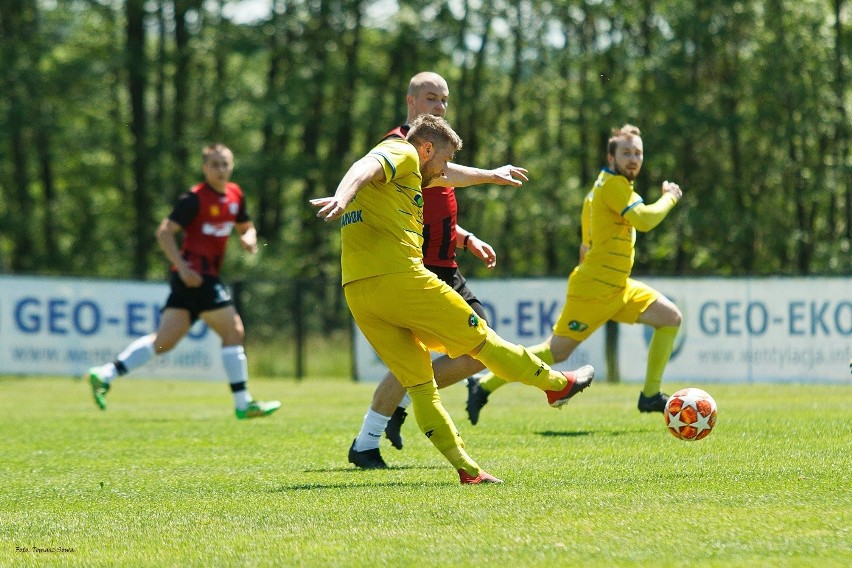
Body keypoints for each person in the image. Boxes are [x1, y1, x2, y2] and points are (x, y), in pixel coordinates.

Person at [311, 113, 594, 484]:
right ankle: (558, 386)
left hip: (359, 292)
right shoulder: (402, 151)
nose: (445, 171)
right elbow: (364, 167)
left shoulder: (406, 172)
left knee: (420, 387)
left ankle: (468, 471)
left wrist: (491, 175)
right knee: (484, 342)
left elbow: (429, 174)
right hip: (402, 280)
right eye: (443, 159)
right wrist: (342, 196)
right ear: (426, 148)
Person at [347, 71, 525, 469]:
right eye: (431, 98)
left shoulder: (433, 149)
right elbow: (384, 188)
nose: (440, 106)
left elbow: (432, 204)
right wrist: (491, 175)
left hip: (445, 262)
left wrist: (465, 238)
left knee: (446, 355)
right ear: (411, 102)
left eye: (444, 99)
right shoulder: (402, 147)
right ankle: (382, 425)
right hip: (415, 264)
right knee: (477, 347)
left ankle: (370, 437)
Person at [467, 124, 683, 424]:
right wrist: (670, 196)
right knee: (556, 351)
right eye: (626, 153)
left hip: (618, 287)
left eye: (638, 153)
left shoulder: (603, 186)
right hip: (594, 289)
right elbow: (644, 220)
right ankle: (483, 383)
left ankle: (650, 395)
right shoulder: (613, 186)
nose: (633, 159)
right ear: (611, 157)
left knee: (670, 318)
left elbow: (586, 235)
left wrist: (591, 248)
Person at [86, 143, 281, 420]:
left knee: (163, 342)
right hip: (197, 276)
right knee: (234, 331)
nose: (221, 169)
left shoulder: (235, 194)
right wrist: (183, 266)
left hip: (193, 279)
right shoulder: (194, 199)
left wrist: (248, 237)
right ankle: (243, 403)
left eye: (225, 164)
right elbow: (164, 232)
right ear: (204, 168)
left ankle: (106, 373)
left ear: (232, 166)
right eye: (214, 164)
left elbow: (245, 225)